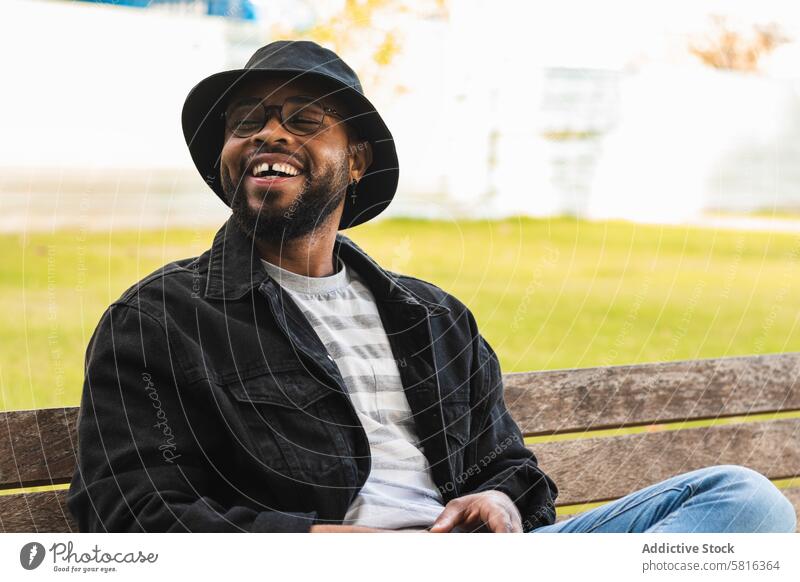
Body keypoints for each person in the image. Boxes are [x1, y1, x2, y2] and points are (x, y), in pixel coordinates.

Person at [66, 40, 796, 534]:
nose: (270, 134)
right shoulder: (159, 318)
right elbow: (128, 507)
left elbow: (509, 467)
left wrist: (500, 503)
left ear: (355, 163)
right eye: (248, 123)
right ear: (227, 160)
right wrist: (337, 547)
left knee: (741, 500)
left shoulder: (432, 318)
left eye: (304, 121)